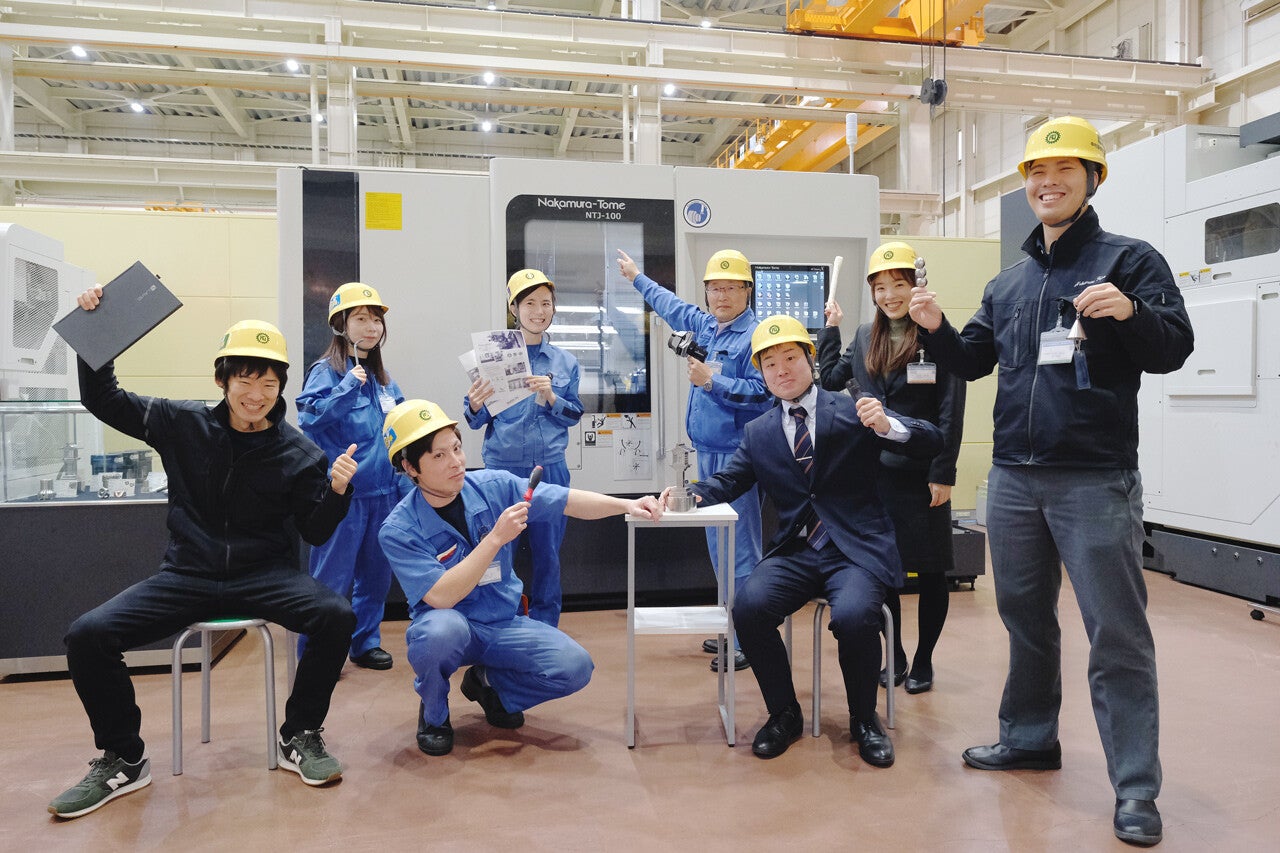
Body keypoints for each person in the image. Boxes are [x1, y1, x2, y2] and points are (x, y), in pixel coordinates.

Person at [908, 116, 1194, 847]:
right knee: (1025, 620)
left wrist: (1130, 311)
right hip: (1013, 480)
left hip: (1094, 478)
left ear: (1092, 179)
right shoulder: (1009, 282)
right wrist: (936, 328)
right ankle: (1030, 736)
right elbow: (972, 361)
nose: (1048, 181)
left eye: (1065, 168)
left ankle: (1136, 787)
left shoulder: (1129, 260)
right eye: (1037, 171)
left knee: (1116, 633)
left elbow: (1174, 346)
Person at [49, 297, 360, 820]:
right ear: (222, 380)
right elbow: (102, 398)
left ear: (281, 386)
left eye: (268, 382)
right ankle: (124, 757)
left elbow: (316, 531)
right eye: (244, 379)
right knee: (87, 635)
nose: (256, 394)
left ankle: (300, 733)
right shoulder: (181, 422)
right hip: (187, 575)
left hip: (264, 577)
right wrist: (99, 324)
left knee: (336, 616)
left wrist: (336, 492)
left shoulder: (300, 453)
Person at [664, 316, 943, 767]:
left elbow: (932, 439)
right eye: (770, 363)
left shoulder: (852, 409)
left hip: (854, 550)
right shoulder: (759, 432)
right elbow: (728, 481)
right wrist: (685, 496)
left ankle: (864, 719)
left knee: (854, 616)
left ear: (810, 359)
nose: (781, 370)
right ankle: (784, 713)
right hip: (797, 551)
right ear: (761, 373)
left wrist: (887, 425)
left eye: (790, 357)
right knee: (748, 608)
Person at [378, 399, 662, 757]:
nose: (456, 462)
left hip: (502, 622)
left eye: (457, 448)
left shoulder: (493, 486)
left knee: (574, 666)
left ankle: (490, 685)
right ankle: (435, 714)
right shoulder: (399, 529)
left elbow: (565, 501)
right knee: (438, 634)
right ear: (409, 467)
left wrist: (627, 505)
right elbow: (440, 596)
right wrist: (495, 538)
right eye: (439, 456)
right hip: (451, 625)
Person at [818, 241, 966, 695]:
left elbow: (951, 407)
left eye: (898, 285)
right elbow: (831, 378)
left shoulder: (937, 333)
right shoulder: (866, 335)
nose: (889, 296)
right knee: (885, 569)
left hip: (922, 472)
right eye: (880, 287)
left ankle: (924, 660)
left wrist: (943, 471)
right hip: (875, 473)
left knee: (932, 571)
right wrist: (831, 330)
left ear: (915, 285)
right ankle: (896, 654)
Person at [616, 248, 773, 671]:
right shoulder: (706, 325)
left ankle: (749, 638)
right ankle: (730, 626)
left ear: (747, 291)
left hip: (738, 459)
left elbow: (764, 393)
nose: (721, 296)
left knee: (741, 550)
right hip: (707, 453)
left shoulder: (756, 336)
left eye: (730, 288)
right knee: (719, 548)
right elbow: (670, 306)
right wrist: (637, 277)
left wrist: (712, 382)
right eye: (714, 288)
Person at [296, 282, 407, 670]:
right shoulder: (327, 372)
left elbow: (401, 427)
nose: (372, 327)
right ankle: (317, 652)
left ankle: (364, 643)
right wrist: (346, 388)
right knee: (331, 579)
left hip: (384, 494)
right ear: (339, 324)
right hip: (342, 496)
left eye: (376, 320)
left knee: (376, 577)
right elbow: (309, 418)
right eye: (361, 319)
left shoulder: (384, 379)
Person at [463, 269, 583, 627]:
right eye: (529, 303)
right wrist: (474, 404)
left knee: (548, 555)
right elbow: (474, 421)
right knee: (499, 551)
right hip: (501, 469)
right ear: (513, 308)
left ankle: (546, 626)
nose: (538, 311)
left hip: (550, 468)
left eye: (546, 303)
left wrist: (551, 397)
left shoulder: (565, 362)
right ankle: (503, 624)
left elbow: (574, 415)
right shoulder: (492, 356)